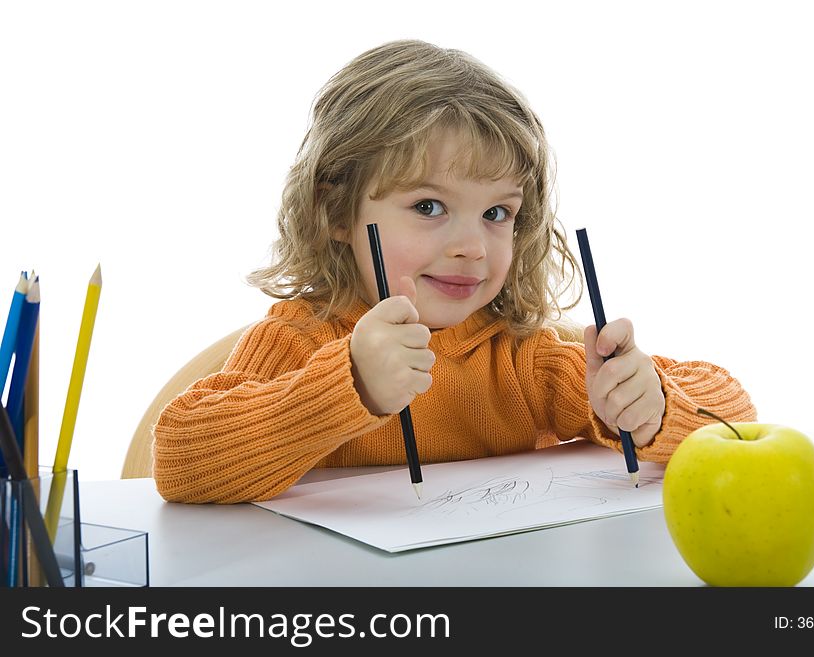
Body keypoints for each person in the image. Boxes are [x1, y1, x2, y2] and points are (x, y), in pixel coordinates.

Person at [153, 40, 756, 503]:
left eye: (497, 213)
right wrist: (350, 387)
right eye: (429, 207)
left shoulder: (521, 361)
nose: (472, 246)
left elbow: (736, 412)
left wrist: (650, 406)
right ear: (335, 210)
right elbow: (181, 460)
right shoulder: (297, 340)